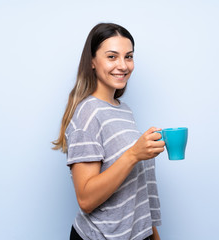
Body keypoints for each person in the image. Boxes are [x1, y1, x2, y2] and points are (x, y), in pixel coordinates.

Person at [53, 23, 164, 240]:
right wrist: (133, 154)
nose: (123, 65)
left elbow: (136, 187)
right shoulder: (88, 113)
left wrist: (152, 234)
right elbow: (86, 200)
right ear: (92, 62)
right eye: (112, 56)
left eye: (128, 56)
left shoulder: (123, 110)